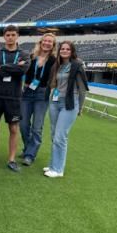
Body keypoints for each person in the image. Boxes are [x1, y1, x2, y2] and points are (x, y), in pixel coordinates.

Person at [0, 25, 30, 172]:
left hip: (14, 97)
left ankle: (11, 159)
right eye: (8, 35)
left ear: (17, 36)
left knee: (13, 128)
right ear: (4, 37)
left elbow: (22, 70)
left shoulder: (24, 54)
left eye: (13, 35)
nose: (10, 37)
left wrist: (2, 68)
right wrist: (13, 67)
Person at [44, 41, 88, 178]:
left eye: (67, 49)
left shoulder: (77, 65)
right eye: (62, 48)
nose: (64, 51)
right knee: (53, 135)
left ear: (72, 51)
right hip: (55, 102)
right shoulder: (58, 65)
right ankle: (53, 165)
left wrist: (80, 107)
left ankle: (58, 169)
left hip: (69, 103)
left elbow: (82, 89)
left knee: (60, 136)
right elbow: (53, 83)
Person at [20, 33, 57, 166]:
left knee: (37, 127)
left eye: (50, 42)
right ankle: (28, 148)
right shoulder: (31, 57)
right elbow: (23, 70)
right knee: (23, 124)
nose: (47, 43)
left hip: (42, 94)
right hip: (27, 93)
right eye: (45, 41)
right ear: (40, 42)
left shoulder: (54, 60)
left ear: (53, 45)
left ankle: (30, 154)